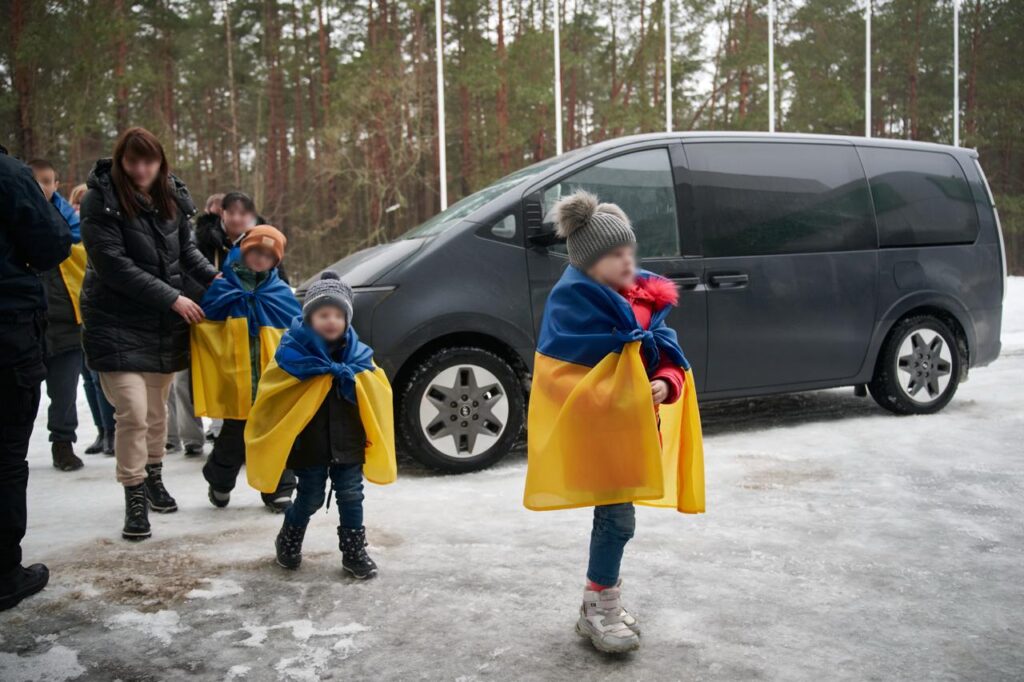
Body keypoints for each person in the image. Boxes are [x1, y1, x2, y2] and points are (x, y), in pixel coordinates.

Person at [523, 191, 705, 654]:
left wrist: (665, 379)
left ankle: (601, 600)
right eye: (613, 256)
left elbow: (664, 347)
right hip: (599, 434)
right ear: (587, 263)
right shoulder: (572, 306)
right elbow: (559, 377)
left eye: (629, 251)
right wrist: (619, 391)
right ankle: (598, 605)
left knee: (617, 519)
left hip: (635, 429)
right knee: (617, 519)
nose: (627, 261)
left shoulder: (641, 297)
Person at [80, 127, 219, 541]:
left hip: (161, 326)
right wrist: (174, 298)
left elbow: (187, 252)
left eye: (149, 161)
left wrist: (222, 283)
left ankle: (153, 475)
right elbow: (113, 265)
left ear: (161, 162)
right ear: (121, 161)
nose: (141, 169)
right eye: (133, 161)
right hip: (114, 320)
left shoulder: (171, 197)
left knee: (157, 415)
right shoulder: (99, 200)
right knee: (134, 413)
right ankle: (134, 493)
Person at [244, 272, 397, 579]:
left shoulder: (359, 356)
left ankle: (354, 551)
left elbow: (377, 392)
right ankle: (289, 536)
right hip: (309, 444)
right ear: (310, 317)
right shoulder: (293, 355)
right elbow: (274, 396)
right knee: (310, 497)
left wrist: (355, 385)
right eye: (323, 314)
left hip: (348, 441)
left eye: (338, 315)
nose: (331, 320)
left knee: (351, 494)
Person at [0, 144, 73, 611]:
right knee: (5, 455)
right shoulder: (8, 174)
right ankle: (5, 572)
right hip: (7, 329)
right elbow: (52, 244)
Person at [191, 224, 300, 512]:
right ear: (244, 251)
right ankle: (220, 482)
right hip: (235, 375)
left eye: (268, 255)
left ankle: (278, 489)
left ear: (275, 261)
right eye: (255, 252)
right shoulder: (223, 286)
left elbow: (296, 332)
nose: (260, 259)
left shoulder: (280, 292)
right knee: (234, 436)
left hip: (269, 380)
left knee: (276, 433)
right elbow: (206, 326)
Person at [28, 160, 86, 472]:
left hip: (67, 320)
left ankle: (63, 444)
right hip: (28, 323)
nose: (42, 187)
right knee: (22, 391)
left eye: (47, 181)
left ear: (57, 184)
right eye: (36, 181)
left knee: (63, 392)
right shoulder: (16, 219)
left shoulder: (73, 225)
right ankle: (15, 446)